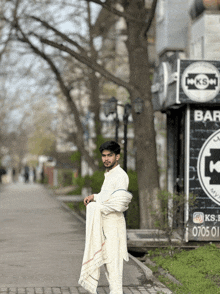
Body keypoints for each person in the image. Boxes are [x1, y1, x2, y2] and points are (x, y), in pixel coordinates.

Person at [79, 141, 132, 294]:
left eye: (110, 155)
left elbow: (119, 204)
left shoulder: (121, 176)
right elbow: (106, 197)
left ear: (117, 157)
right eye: (104, 156)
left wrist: (97, 207)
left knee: (114, 271)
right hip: (103, 226)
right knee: (109, 271)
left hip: (113, 228)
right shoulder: (109, 175)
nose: (106, 159)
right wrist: (94, 197)